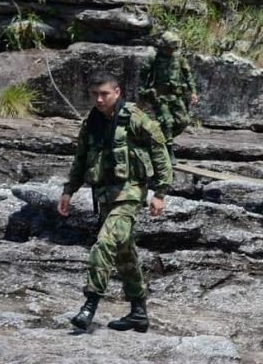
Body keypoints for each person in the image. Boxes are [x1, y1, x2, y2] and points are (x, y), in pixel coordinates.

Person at [58, 71, 172, 332]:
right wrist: (69, 191)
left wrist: (160, 193)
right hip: (105, 196)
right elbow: (81, 158)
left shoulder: (135, 119)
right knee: (124, 252)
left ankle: (90, 303)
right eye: (95, 95)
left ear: (117, 92)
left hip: (130, 193)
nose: (99, 99)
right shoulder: (92, 123)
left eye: (104, 94)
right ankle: (138, 312)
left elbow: (159, 151)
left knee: (105, 242)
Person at [141, 31, 198, 164]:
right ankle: (169, 151)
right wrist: (142, 93)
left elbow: (187, 75)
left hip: (175, 95)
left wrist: (193, 91)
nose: (171, 50)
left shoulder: (178, 57)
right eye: (169, 48)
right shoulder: (153, 57)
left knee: (183, 121)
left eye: (173, 48)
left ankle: (159, 139)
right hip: (159, 95)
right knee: (167, 122)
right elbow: (143, 75)